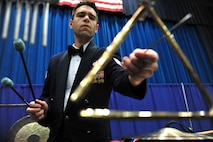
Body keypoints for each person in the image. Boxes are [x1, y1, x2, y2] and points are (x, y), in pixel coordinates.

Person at [26, 1, 159, 142]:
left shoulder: (106, 54)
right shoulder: (55, 61)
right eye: (81, 15)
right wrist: (43, 109)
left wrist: (135, 77)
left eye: (91, 17)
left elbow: (122, 81)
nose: (86, 18)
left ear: (96, 28)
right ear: (71, 23)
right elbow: (47, 97)